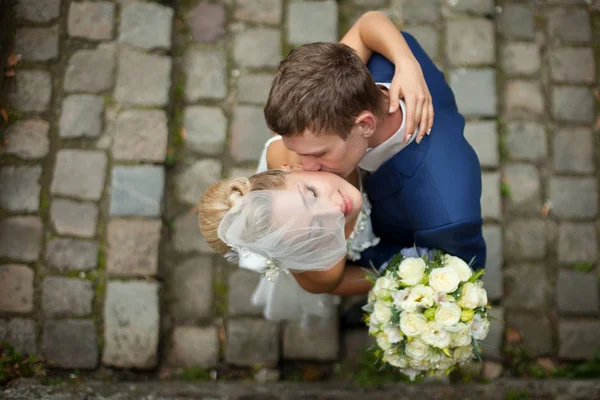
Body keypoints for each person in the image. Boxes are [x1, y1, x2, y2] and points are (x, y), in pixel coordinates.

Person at [264, 11, 486, 270]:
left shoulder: (447, 214)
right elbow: (366, 25)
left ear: (365, 124)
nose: (307, 167)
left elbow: (457, 271)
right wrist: (405, 61)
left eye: (319, 153)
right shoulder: (368, 62)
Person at [198, 169, 379, 324]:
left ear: (291, 168)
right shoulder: (324, 273)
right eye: (316, 230)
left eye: (312, 193)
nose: (335, 209)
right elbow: (386, 278)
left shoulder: (294, 149)